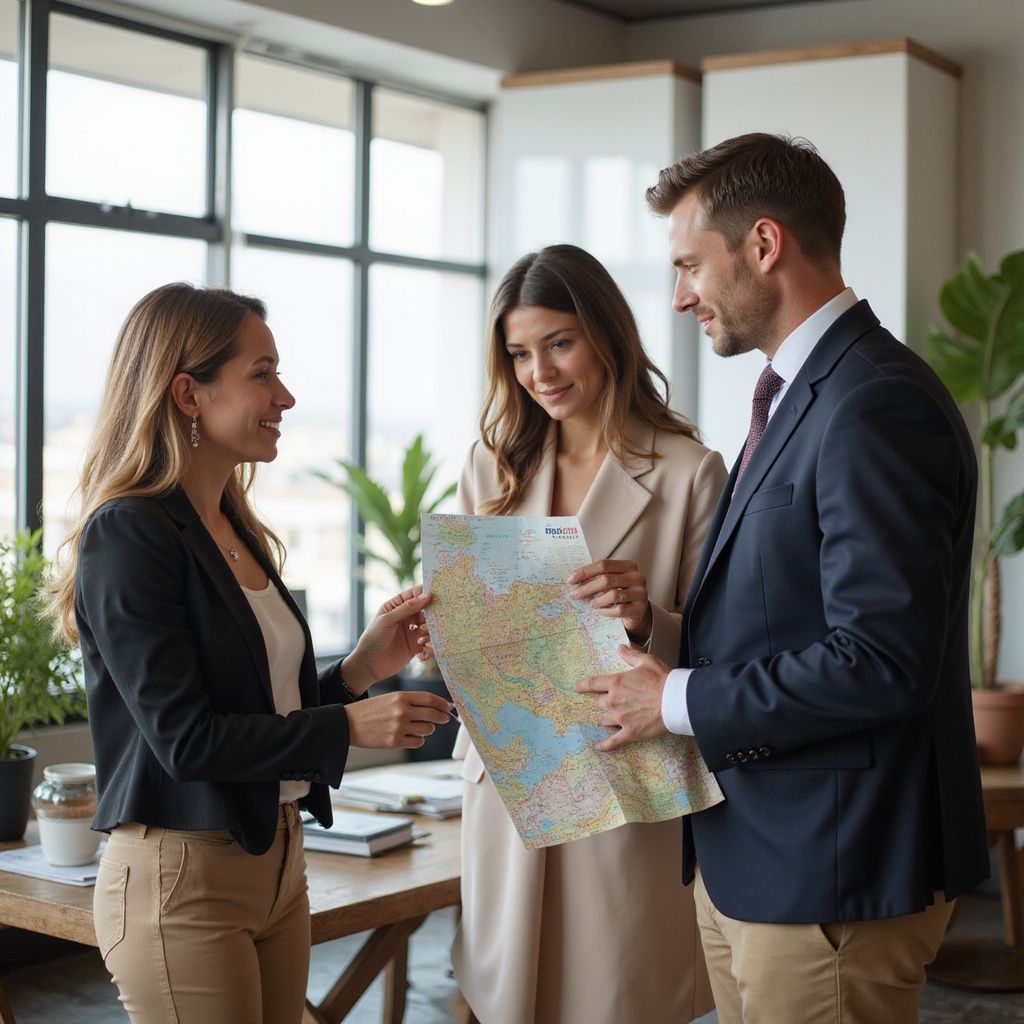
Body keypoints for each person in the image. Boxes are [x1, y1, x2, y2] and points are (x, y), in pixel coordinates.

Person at [575, 133, 990, 1023]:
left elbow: (881, 659)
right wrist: (659, 629)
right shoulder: (804, 393)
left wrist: (674, 700)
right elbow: (786, 620)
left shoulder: (873, 401)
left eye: (690, 265)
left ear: (764, 246)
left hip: (833, 871)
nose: (679, 295)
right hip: (761, 857)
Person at [49, 283, 454, 1024]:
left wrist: (361, 669)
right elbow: (187, 738)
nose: (286, 396)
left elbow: (260, 712)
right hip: (182, 874)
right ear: (187, 393)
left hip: (277, 860)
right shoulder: (130, 533)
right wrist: (350, 730)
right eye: (261, 373)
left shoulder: (232, 524)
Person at [451, 244, 726, 1024]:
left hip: (621, 780)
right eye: (519, 352)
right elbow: (470, 629)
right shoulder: (491, 464)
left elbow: (721, 650)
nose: (540, 372)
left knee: (615, 997)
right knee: (508, 994)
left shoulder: (686, 471)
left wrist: (647, 618)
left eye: (559, 343)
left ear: (606, 334)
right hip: (513, 776)